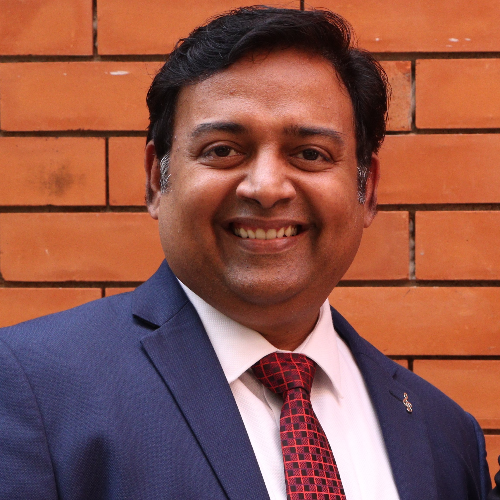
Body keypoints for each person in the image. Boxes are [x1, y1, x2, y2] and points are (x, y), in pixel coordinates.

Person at [0, 6, 493, 499]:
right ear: (155, 179)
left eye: (310, 154)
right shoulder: (32, 389)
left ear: (367, 190)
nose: (266, 188)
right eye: (222, 150)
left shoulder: (444, 436)